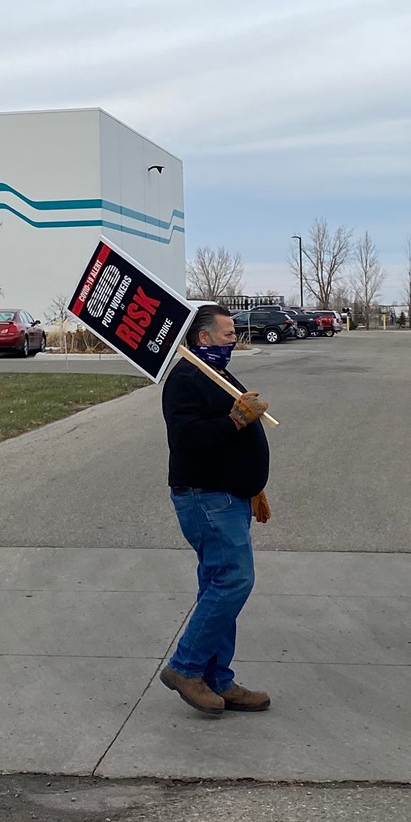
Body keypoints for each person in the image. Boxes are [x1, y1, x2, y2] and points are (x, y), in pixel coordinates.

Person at [159, 304, 273, 716]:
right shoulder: (187, 378)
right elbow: (188, 438)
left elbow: (236, 435)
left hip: (231, 497)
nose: (234, 341)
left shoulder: (217, 373)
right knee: (234, 581)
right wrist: (235, 421)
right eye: (227, 335)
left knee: (218, 586)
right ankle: (185, 668)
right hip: (206, 498)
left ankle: (217, 679)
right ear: (203, 337)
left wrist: (254, 486)